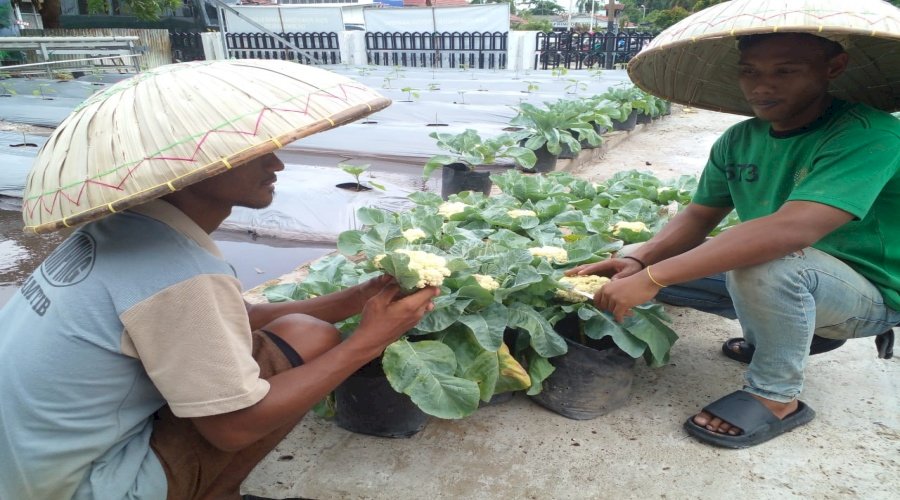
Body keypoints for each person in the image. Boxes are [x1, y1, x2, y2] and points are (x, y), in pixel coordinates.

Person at [0, 104, 437, 499]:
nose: (278, 163)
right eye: (252, 153)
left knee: (301, 333)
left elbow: (244, 318)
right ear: (192, 168)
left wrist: (360, 297)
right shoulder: (179, 273)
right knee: (296, 356)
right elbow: (233, 429)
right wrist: (367, 341)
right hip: (80, 487)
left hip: (27, 465)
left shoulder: (120, 228)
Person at [569, 32, 900, 448]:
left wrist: (654, 277)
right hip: (795, 270)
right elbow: (699, 216)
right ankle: (781, 336)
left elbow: (792, 231)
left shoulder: (869, 135)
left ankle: (776, 396)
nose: (762, 86)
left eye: (785, 71)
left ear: (833, 68)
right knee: (633, 258)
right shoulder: (739, 139)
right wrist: (640, 263)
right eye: (750, 72)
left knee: (768, 263)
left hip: (869, 292)